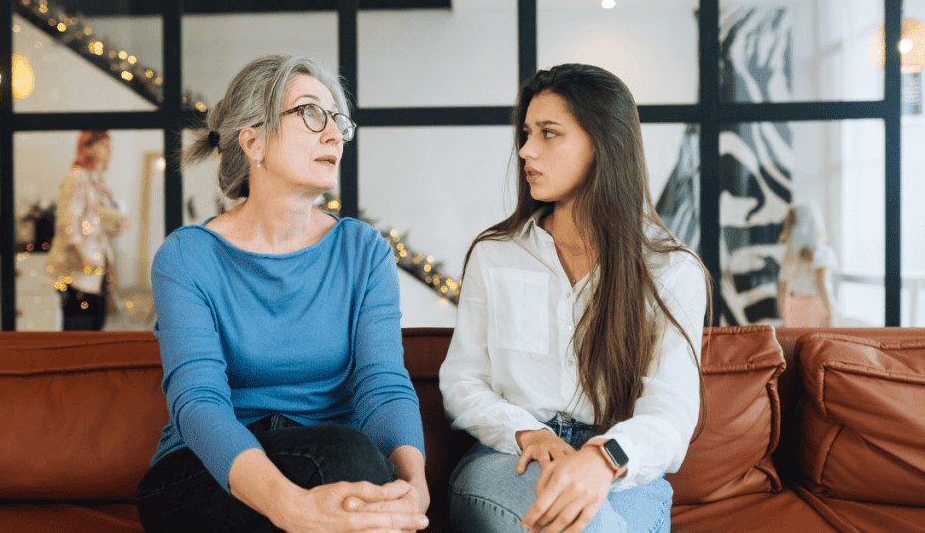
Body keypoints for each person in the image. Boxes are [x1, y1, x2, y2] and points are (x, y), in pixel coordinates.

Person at [134, 54, 430, 533]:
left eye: (338, 120)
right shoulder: (187, 256)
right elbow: (198, 402)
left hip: (338, 469)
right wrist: (289, 506)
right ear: (253, 141)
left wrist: (414, 484)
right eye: (312, 113)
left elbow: (383, 384)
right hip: (206, 476)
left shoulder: (364, 251)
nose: (334, 134)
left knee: (361, 467)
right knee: (351, 457)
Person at [439, 63, 710, 533]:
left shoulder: (673, 270)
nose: (525, 150)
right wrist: (524, 430)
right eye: (526, 134)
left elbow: (671, 412)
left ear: (603, 144)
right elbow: (462, 382)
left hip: (623, 471)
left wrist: (604, 458)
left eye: (549, 133)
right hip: (510, 457)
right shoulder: (495, 254)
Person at [46, 130, 125, 331]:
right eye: (104, 145)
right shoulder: (77, 178)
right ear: (89, 148)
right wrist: (82, 254)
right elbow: (68, 221)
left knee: (95, 324)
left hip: (96, 270)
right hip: (80, 270)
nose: (109, 151)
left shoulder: (96, 181)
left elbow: (98, 221)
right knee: (80, 326)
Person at [778, 204, 837, 327]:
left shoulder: (788, 254)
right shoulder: (823, 253)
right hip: (817, 307)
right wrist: (831, 312)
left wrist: (783, 313)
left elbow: (783, 287)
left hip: (793, 306)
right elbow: (821, 283)